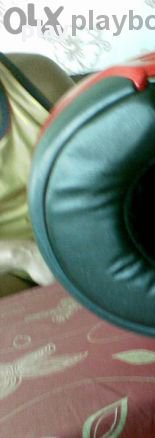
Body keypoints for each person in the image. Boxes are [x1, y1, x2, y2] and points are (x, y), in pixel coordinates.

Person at [0, 53, 73, 297]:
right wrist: (21, 255)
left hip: (83, 243)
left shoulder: (37, 79)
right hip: (9, 269)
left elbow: (105, 171)